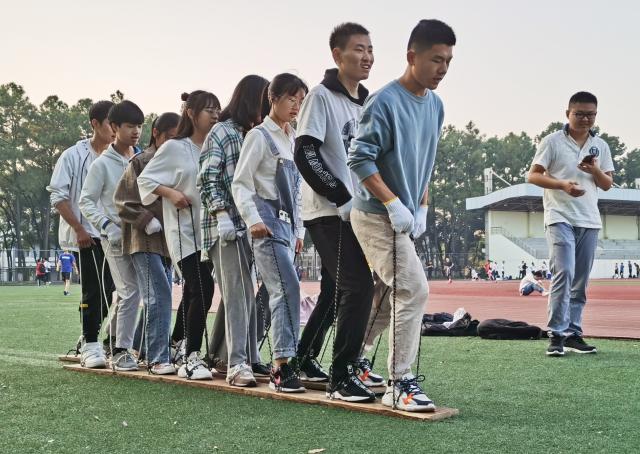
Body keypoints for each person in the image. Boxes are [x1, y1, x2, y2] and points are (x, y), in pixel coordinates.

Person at [348, 19, 456, 411]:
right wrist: (393, 203)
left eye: (448, 61)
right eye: (436, 60)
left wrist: (422, 205)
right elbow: (359, 158)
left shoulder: (436, 106)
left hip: (404, 216)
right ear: (412, 56)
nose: (443, 69)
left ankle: (353, 360)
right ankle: (400, 383)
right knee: (413, 289)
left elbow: (424, 163)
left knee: (385, 294)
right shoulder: (384, 101)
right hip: (375, 214)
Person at [293, 22, 380, 402]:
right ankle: (342, 376)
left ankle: (303, 358)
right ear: (337, 55)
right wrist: (340, 196)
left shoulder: (370, 103)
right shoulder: (321, 97)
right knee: (358, 286)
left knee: (333, 290)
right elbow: (305, 153)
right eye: (359, 49)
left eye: (371, 49)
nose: (367, 57)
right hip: (328, 212)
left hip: (360, 211)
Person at [233, 73, 308, 393]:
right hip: (265, 226)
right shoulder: (259, 136)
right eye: (291, 98)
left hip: (288, 228)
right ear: (272, 98)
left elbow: (299, 190)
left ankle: (278, 360)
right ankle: (282, 367)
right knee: (286, 288)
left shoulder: (294, 139)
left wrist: (300, 229)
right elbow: (240, 183)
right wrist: (252, 219)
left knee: (280, 291)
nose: (296, 106)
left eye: (301, 100)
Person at [138, 91, 218, 380]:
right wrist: (171, 194)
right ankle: (191, 357)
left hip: (209, 233)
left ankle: (176, 345)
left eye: (218, 109)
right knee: (203, 287)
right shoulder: (175, 147)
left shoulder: (213, 146)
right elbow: (145, 180)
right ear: (191, 113)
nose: (215, 115)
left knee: (196, 291)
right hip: (183, 232)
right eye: (209, 110)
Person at [528, 91, 614, 356]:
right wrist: (562, 185)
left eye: (591, 114)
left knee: (580, 280)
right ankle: (556, 333)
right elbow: (533, 176)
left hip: (589, 219)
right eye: (580, 114)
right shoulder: (552, 141)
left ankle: (573, 334)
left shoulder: (600, 145)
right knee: (564, 272)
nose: (585, 119)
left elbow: (607, 184)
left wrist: (594, 170)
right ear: (568, 113)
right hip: (559, 216)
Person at [198, 75, 269, 387]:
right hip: (223, 225)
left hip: (247, 226)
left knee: (240, 294)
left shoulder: (252, 134)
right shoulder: (222, 131)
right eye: (264, 102)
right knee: (238, 294)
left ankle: (227, 356)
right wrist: (222, 214)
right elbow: (207, 177)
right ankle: (239, 362)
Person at [47, 100, 117, 369]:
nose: (114, 129)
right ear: (95, 124)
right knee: (93, 290)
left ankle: (88, 335)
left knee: (111, 290)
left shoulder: (119, 155)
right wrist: (78, 229)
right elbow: (58, 196)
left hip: (112, 235)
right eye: (110, 123)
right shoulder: (73, 156)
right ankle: (90, 344)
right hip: (86, 235)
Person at [79, 100, 145, 372]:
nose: (136, 131)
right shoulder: (102, 164)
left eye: (140, 125)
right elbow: (85, 201)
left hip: (142, 235)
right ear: (114, 127)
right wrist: (106, 225)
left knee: (133, 293)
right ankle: (120, 351)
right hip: (114, 237)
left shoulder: (142, 158)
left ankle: (113, 343)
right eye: (130, 126)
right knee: (130, 292)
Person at [114, 111, 180, 375]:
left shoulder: (174, 162)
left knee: (159, 296)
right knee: (159, 295)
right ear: (156, 133)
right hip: (144, 240)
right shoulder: (141, 161)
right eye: (170, 137)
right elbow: (122, 201)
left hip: (168, 242)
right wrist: (145, 219)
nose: (174, 144)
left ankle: (142, 348)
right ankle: (158, 357)